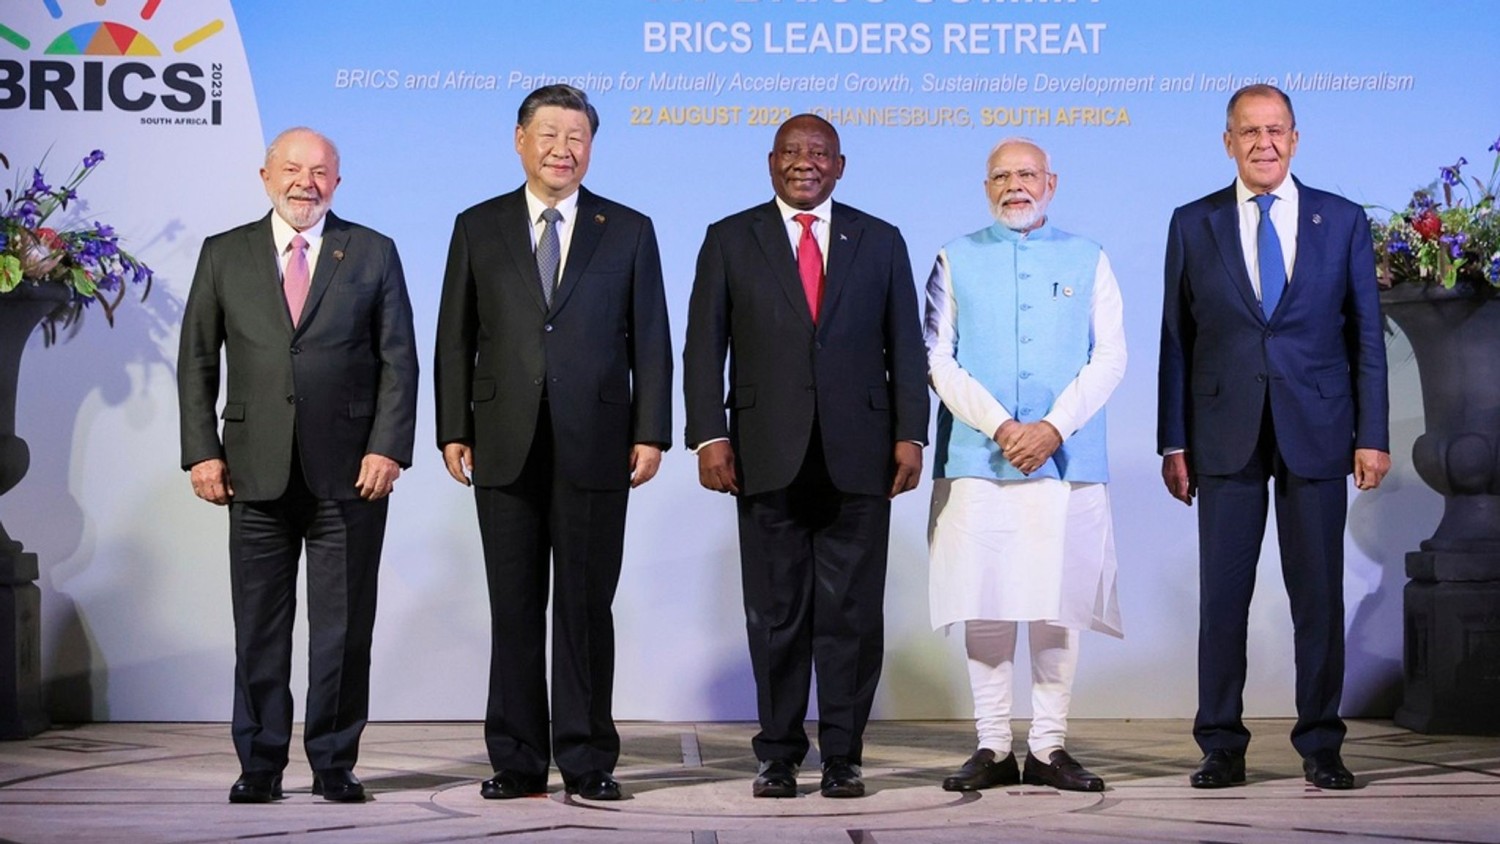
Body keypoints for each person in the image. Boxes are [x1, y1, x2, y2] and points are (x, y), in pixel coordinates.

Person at [433, 84, 672, 803]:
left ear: (591, 147)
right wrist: (452, 427)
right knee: (513, 607)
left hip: (598, 442)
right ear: (519, 140)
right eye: (549, 134)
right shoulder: (478, 226)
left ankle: (588, 757)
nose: (563, 149)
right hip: (503, 442)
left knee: (584, 608)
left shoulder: (627, 228)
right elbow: (455, 338)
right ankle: (515, 759)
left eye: (576, 136)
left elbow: (652, 341)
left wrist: (652, 430)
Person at [683, 113, 928, 799]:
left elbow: (906, 345)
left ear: (840, 166)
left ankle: (845, 755)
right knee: (776, 613)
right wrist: (709, 435)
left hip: (862, 457)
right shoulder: (730, 239)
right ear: (770, 162)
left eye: (819, 153)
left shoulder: (880, 241)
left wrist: (911, 433)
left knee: (852, 614)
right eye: (792, 152)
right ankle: (779, 753)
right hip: (764, 456)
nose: (805, 163)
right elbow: (704, 348)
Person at [1158, 84, 1390, 790]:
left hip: (1318, 431)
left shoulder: (1341, 219)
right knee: (1222, 599)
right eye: (1249, 131)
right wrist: (1174, 441)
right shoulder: (1192, 222)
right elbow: (1177, 339)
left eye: (1276, 130)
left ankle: (1321, 742)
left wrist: (1371, 434)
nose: (1264, 143)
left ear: (1296, 137)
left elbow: (1365, 338)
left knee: (1317, 596)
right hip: (1222, 434)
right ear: (1227, 141)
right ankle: (1221, 744)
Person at [178, 127, 418, 804]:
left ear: (337, 182)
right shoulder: (224, 254)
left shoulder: (371, 251)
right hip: (251, 472)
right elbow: (197, 359)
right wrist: (202, 449)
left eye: (319, 171)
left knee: (343, 633)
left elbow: (399, 359)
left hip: (351, 475)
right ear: (265, 175)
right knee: (259, 630)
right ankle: (258, 765)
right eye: (291, 168)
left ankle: (335, 764)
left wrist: (387, 446)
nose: (304, 181)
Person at [925, 137, 1127, 794]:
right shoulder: (954, 257)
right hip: (978, 458)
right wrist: (1004, 427)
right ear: (987, 187)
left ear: (1052, 182)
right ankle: (990, 745)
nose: (1016, 185)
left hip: (1065, 461)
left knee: (1055, 603)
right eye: (1003, 176)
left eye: (1028, 174)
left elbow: (1110, 358)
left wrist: (1051, 428)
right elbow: (937, 359)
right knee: (983, 599)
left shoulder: (1089, 257)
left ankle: (1047, 747)